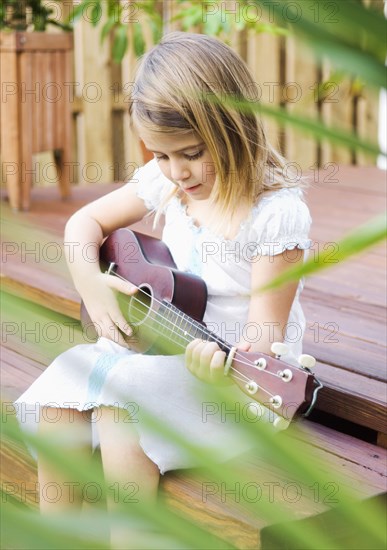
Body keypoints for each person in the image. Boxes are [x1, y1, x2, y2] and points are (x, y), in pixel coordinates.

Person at [14, 31, 311, 548]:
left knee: (122, 406)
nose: (176, 173)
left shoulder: (276, 215)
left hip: (233, 381)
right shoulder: (168, 179)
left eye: (192, 154)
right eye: (163, 156)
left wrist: (219, 367)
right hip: (155, 347)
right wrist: (89, 280)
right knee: (58, 396)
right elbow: (83, 223)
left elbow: (262, 341)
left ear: (232, 128)